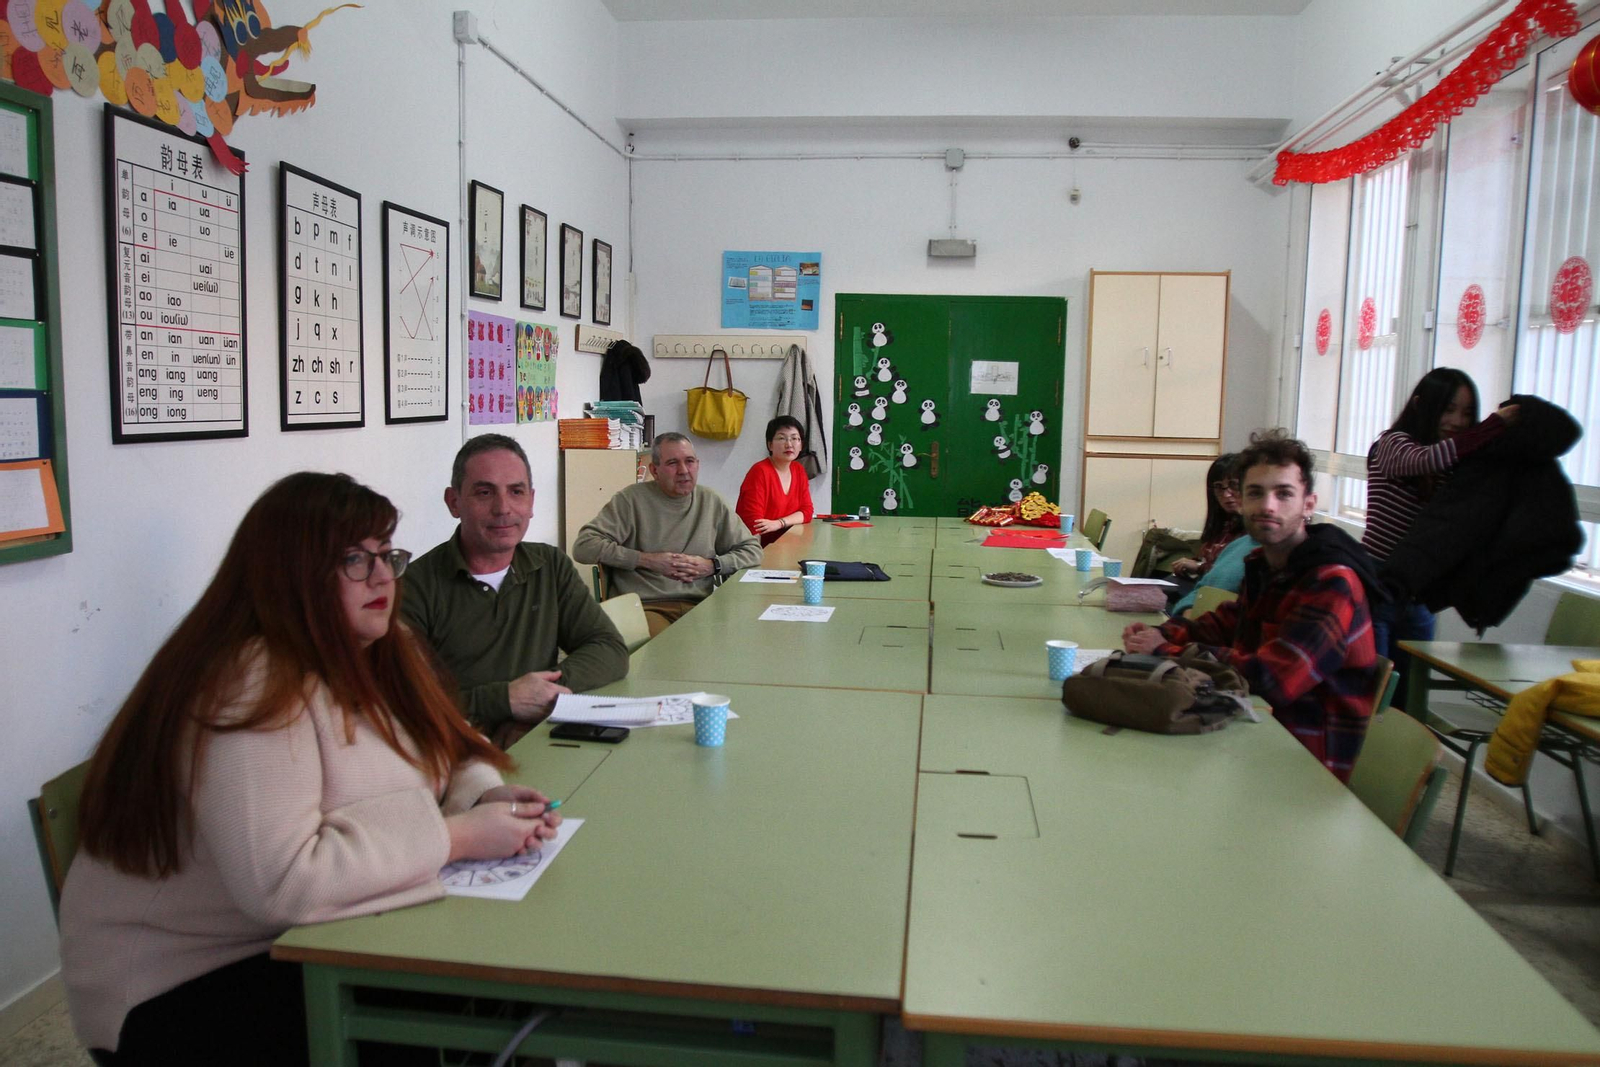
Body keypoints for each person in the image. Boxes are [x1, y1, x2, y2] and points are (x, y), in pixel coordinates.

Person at [59, 472, 562, 1065]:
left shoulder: (375, 645)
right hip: (182, 986)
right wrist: (455, 838)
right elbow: (285, 883)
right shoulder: (248, 684)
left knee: (505, 988)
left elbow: (456, 746)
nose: (381, 576)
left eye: (385, 554)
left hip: (305, 940)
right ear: (290, 574)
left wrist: (481, 797)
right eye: (354, 559)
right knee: (466, 1009)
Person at [1122, 430, 1383, 782]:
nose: (1267, 506)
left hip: (1303, 761)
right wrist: (1161, 632)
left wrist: (1166, 649)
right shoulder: (1268, 564)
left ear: (1308, 505)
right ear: (1241, 502)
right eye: (1255, 493)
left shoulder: (1331, 581)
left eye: (1283, 493)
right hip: (1252, 725)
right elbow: (1226, 623)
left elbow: (1274, 678)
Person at [402, 434, 628, 746]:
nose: (503, 508)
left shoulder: (549, 566)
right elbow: (403, 702)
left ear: (531, 501)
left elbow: (609, 648)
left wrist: (540, 696)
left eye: (516, 492)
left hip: (537, 740)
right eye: (484, 492)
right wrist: (506, 700)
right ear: (454, 502)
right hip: (455, 751)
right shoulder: (414, 586)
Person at [1363, 369, 1516, 705]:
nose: (1458, 421)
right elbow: (1424, 460)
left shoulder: (1455, 462)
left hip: (1418, 595)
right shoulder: (1393, 444)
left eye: (1466, 413)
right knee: (1371, 695)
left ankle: (1406, 756)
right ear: (1420, 405)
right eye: (1448, 409)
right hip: (1375, 586)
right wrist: (1494, 425)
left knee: (1410, 698)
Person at [573, 432, 763, 637]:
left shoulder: (711, 501)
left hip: (700, 605)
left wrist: (712, 566)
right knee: (668, 653)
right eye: (673, 463)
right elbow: (584, 547)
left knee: (741, 640)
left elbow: (753, 551)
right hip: (645, 606)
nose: (683, 471)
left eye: (689, 461)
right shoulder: (631, 500)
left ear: (697, 464)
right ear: (655, 470)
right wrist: (646, 560)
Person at [736, 415, 815, 546]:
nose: (789, 444)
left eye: (795, 438)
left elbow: (807, 512)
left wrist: (779, 523)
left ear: (801, 445)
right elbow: (754, 524)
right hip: (761, 547)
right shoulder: (760, 471)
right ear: (770, 445)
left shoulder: (799, 470)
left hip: (788, 543)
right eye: (781, 438)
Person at [1168, 453, 1244, 582]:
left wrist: (1199, 568)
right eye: (1219, 487)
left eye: (1233, 485)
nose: (1226, 494)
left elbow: (1233, 574)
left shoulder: (1254, 531)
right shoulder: (1221, 525)